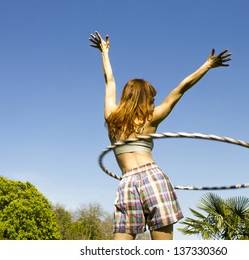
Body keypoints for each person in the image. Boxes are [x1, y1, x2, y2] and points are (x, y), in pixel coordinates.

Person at [89, 31, 231, 240]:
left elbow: (109, 81)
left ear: (126, 96)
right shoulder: (150, 118)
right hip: (152, 178)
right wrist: (207, 65)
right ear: (146, 99)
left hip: (127, 182)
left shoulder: (111, 117)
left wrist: (104, 52)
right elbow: (181, 88)